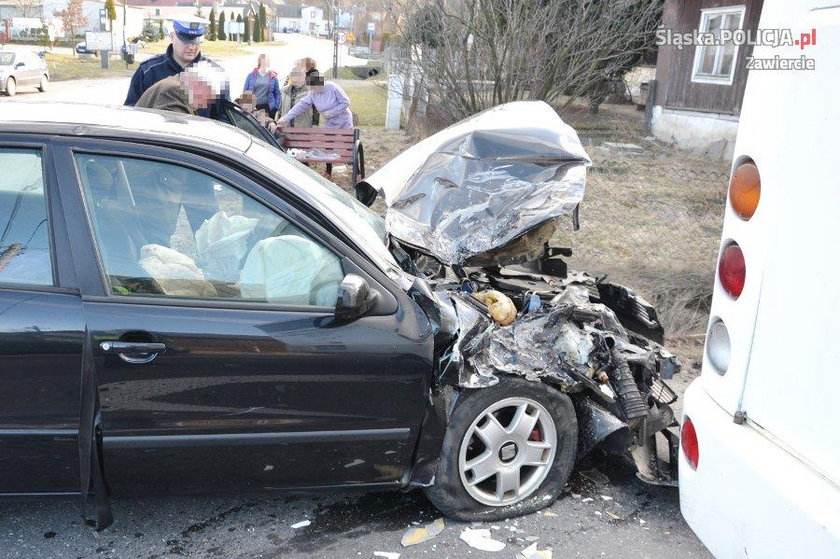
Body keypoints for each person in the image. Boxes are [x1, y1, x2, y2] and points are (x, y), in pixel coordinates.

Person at [124, 17, 226, 118]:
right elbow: (132, 111)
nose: (192, 47)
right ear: (172, 37)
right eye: (186, 40)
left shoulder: (213, 74)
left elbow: (224, 116)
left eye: (196, 41)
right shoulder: (148, 71)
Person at [136, 60, 225, 115]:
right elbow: (179, 131)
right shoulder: (176, 91)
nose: (204, 105)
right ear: (199, 84)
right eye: (207, 98)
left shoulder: (176, 82)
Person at [277, 71, 352, 129]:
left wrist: (331, 113)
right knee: (330, 144)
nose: (311, 89)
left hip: (344, 121)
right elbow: (300, 106)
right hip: (330, 123)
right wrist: (285, 118)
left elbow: (345, 102)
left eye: (313, 86)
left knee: (343, 145)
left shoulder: (332, 87)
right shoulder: (313, 94)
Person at [242, 54, 281, 119]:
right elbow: (245, 92)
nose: (267, 62)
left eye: (268, 60)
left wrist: (275, 107)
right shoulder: (251, 75)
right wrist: (247, 107)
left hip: (268, 108)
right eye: (265, 60)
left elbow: (277, 94)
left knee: (267, 127)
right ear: (260, 62)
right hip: (253, 108)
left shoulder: (273, 77)